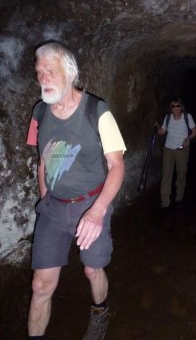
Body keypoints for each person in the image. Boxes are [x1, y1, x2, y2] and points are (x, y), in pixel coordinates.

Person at [26, 41, 126, 340]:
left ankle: (100, 312)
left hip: (91, 204)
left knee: (92, 270)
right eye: (39, 72)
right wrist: (46, 199)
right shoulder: (39, 112)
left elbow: (117, 166)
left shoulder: (97, 110)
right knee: (40, 286)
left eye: (50, 71)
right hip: (54, 208)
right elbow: (42, 160)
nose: (43, 78)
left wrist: (97, 212)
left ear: (69, 73)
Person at [156, 98, 196, 208]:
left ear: (181, 107)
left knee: (181, 172)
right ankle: (165, 200)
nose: (175, 108)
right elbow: (162, 132)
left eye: (178, 106)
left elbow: (194, 131)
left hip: (182, 150)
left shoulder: (187, 117)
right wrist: (157, 127)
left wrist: (188, 138)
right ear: (171, 108)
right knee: (166, 174)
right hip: (168, 149)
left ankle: (179, 193)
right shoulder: (168, 117)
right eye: (173, 106)